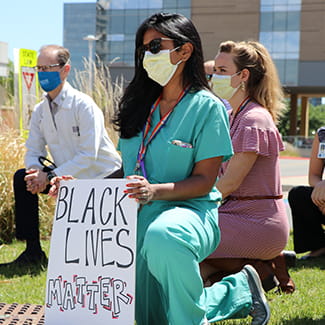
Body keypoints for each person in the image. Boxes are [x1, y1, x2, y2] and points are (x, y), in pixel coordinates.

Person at [113, 13, 270, 325]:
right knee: (151, 315)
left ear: (184, 51)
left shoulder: (208, 108)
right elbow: (125, 170)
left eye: (156, 45)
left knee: (163, 237)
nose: (148, 54)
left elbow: (204, 181)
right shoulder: (137, 106)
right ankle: (238, 291)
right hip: (135, 218)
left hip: (188, 212)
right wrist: (74, 188)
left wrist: (153, 192)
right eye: (144, 48)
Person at [0, 45, 122, 270]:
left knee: (83, 248)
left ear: (65, 70)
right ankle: (32, 251)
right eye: (39, 68)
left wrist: (51, 175)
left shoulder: (83, 105)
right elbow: (33, 150)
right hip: (66, 177)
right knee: (22, 178)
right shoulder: (40, 111)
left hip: (104, 176)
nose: (42, 73)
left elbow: (89, 155)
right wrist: (36, 172)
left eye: (48, 68)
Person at [200, 40, 296, 294]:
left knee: (180, 237)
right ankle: (252, 274)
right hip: (237, 216)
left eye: (221, 71)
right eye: (214, 71)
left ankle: (256, 268)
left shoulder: (253, 118)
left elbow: (229, 183)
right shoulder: (235, 114)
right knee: (189, 269)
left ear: (243, 75)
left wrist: (192, 205)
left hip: (257, 222)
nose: (214, 77)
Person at [288, 126, 325, 259]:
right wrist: (321, 189)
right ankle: (319, 246)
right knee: (298, 194)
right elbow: (314, 176)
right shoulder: (322, 134)